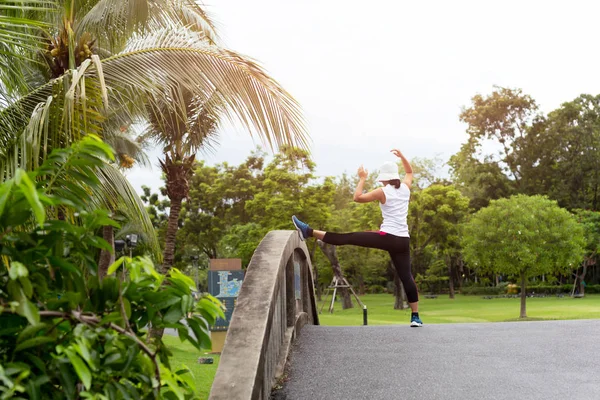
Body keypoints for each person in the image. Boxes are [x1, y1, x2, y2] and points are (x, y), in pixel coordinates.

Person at [292, 149, 423, 327]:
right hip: (403, 241)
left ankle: (308, 231)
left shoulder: (382, 191)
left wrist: (362, 178)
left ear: (384, 178)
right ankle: (415, 316)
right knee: (407, 276)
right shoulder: (405, 189)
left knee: (349, 237)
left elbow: (357, 198)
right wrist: (403, 157)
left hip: (387, 237)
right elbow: (409, 172)